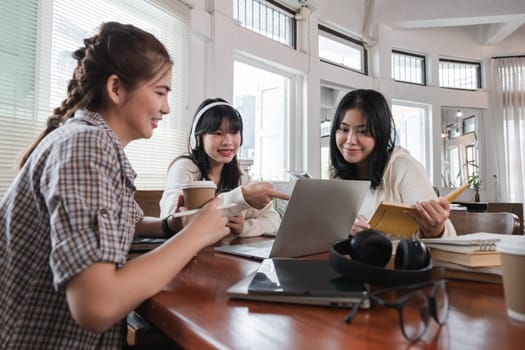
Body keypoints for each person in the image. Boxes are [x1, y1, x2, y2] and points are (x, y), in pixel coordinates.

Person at [0, 22, 233, 349]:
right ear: (116, 88)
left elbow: (120, 222)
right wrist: (197, 235)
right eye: (160, 92)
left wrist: (173, 225)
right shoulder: (87, 147)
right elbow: (97, 305)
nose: (166, 107)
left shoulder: (88, 141)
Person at [329, 89, 456, 238]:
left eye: (363, 132)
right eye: (344, 129)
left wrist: (435, 230)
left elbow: (449, 237)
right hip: (349, 260)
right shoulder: (337, 173)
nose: (350, 140)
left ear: (381, 133)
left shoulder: (404, 167)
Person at [160, 98, 286, 237]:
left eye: (234, 132)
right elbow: (172, 219)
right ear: (198, 138)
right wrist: (241, 196)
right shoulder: (184, 167)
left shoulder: (240, 176)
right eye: (218, 133)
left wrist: (245, 227)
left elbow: (274, 220)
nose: (227, 141)